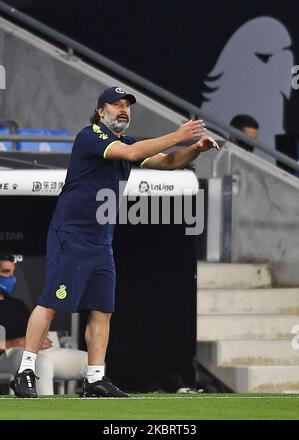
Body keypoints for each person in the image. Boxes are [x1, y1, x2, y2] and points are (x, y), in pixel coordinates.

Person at [10, 86, 219, 398]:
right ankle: (25, 370)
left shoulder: (126, 142)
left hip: (101, 242)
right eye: (116, 104)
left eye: (127, 105)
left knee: (102, 310)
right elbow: (135, 155)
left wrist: (195, 149)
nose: (123, 109)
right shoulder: (89, 136)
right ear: (100, 111)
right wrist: (179, 134)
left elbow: (168, 162)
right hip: (71, 235)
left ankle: (95, 379)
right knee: (51, 303)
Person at [0, 252, 87, 395]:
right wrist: (20, 342)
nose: (11, 277)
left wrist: (39, 339)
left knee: (90, 362)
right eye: (5, 272)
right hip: (7, 355)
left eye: (13, 273)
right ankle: (46, 412)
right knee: (41, 362)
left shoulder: (18, 305)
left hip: (36, 350)